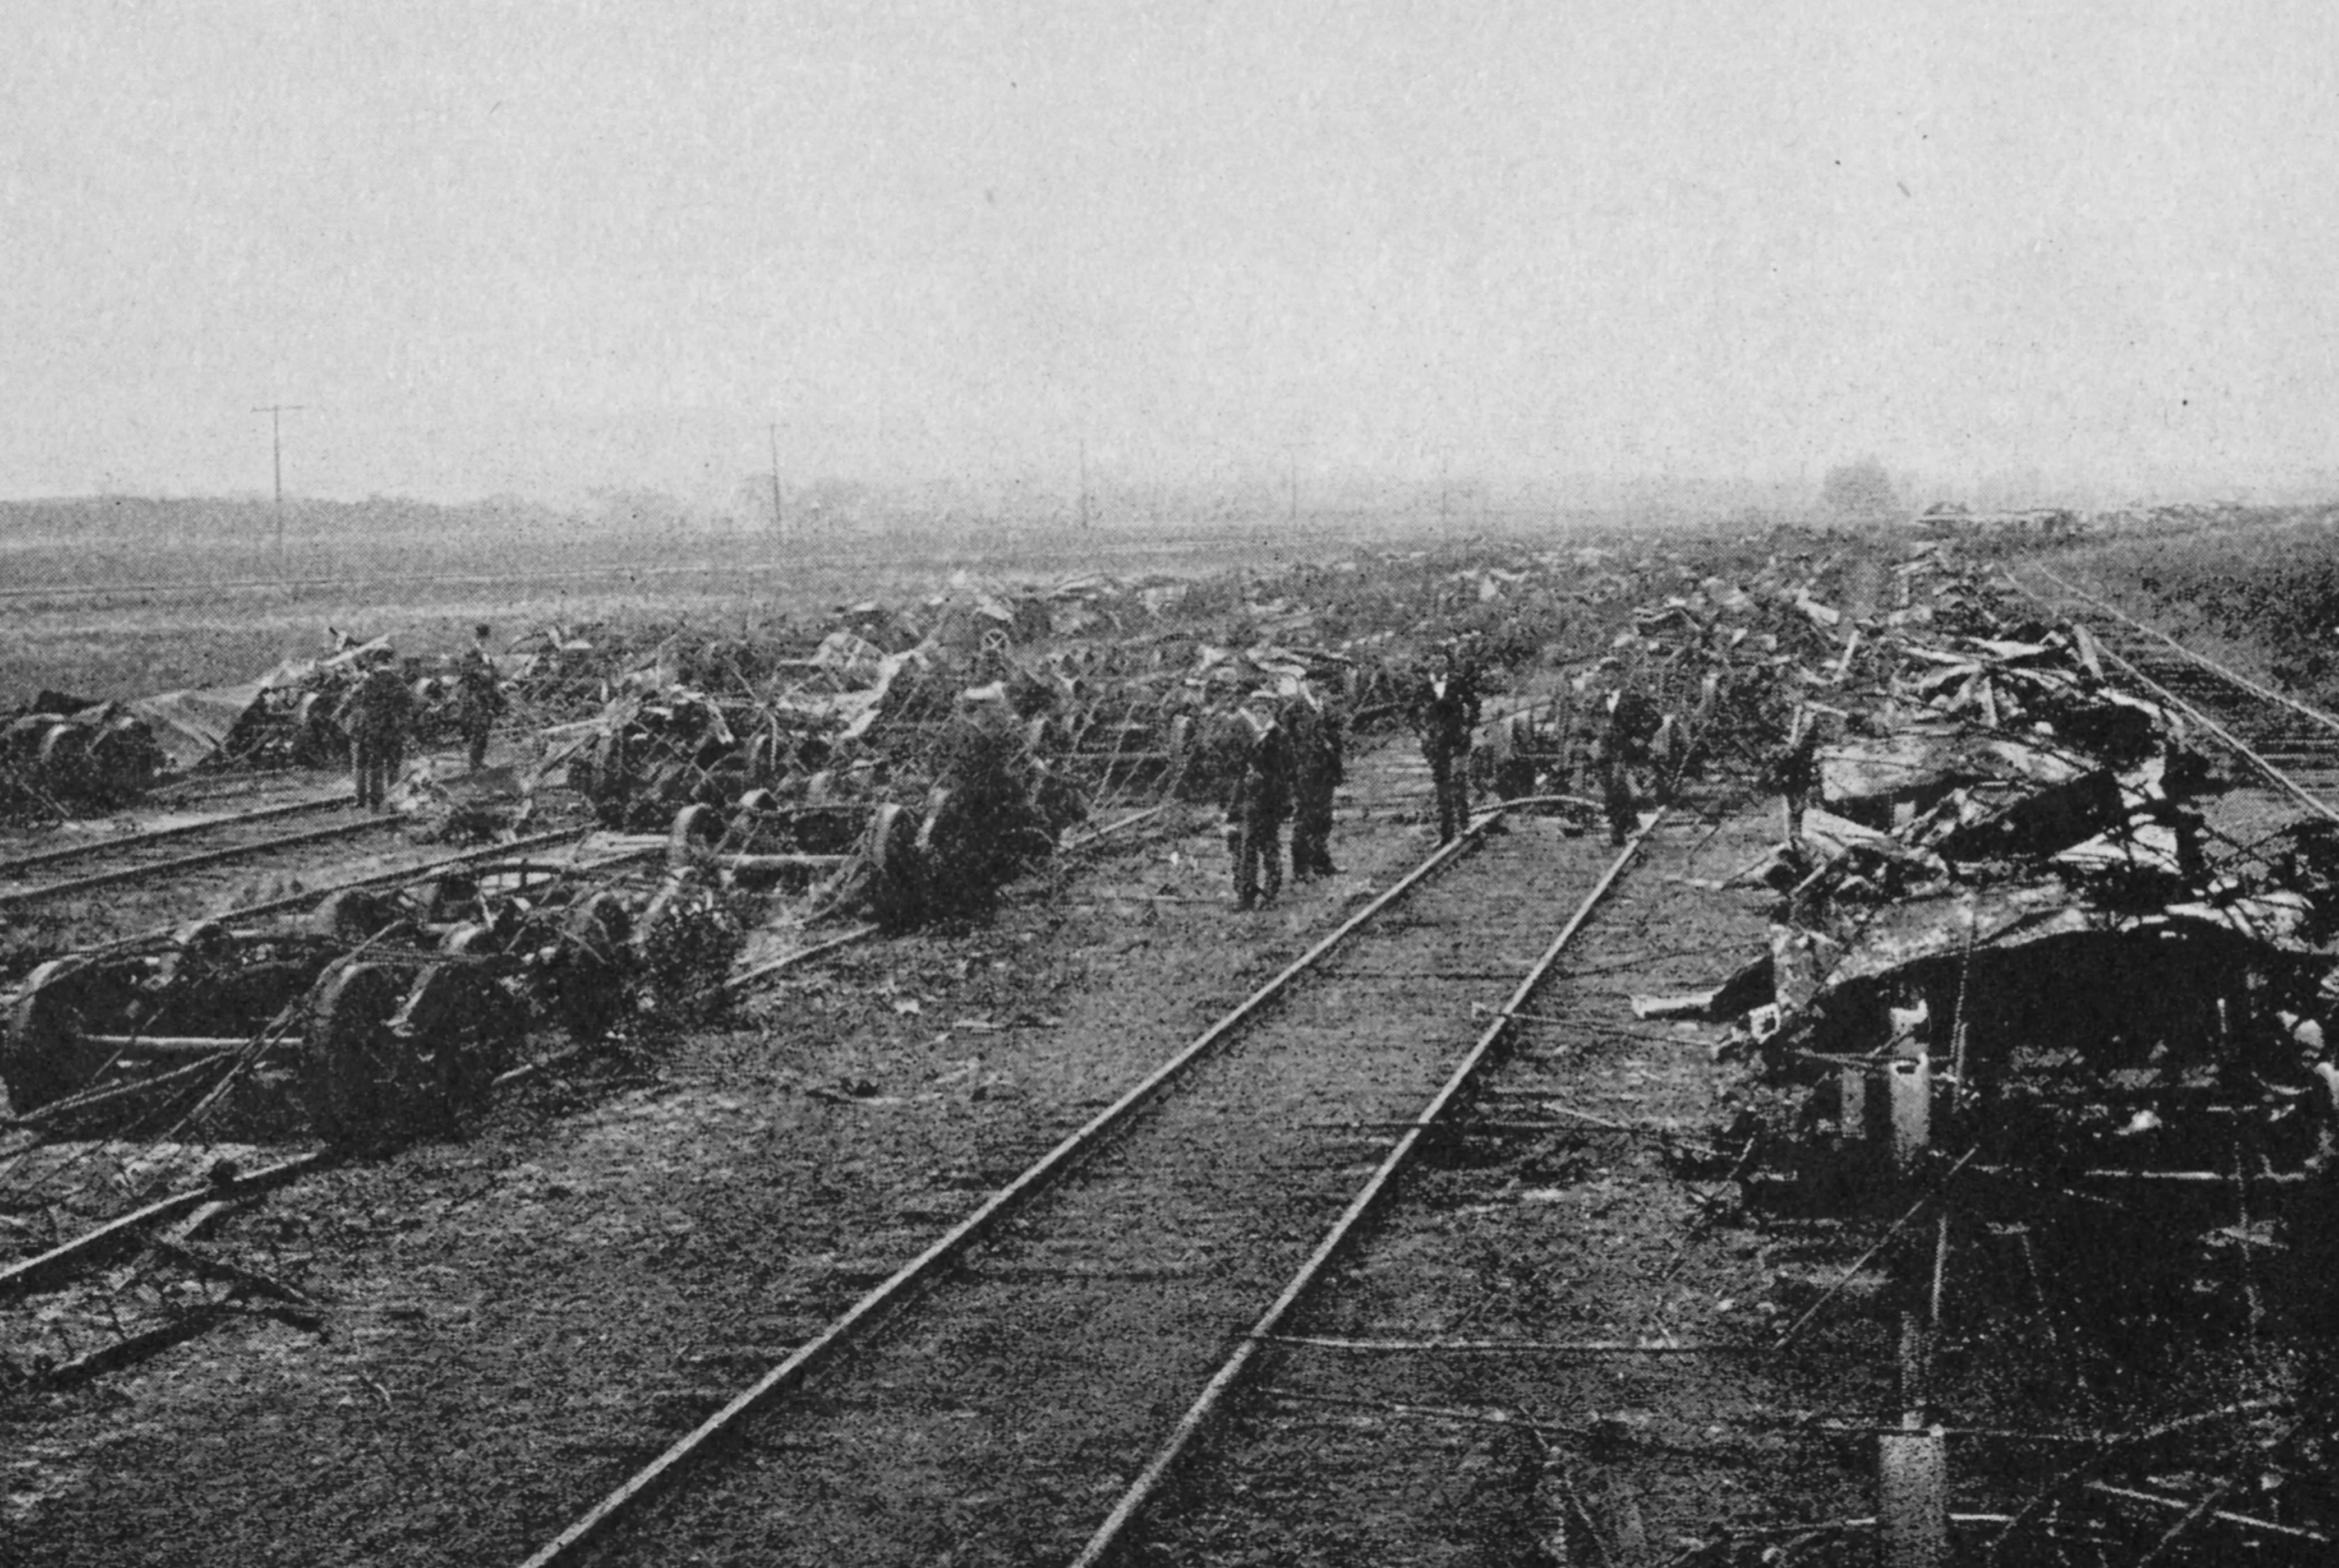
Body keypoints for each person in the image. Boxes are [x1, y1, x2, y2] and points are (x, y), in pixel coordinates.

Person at [1223, 687, 1295, 909]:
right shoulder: (1251, 737)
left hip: (1270, 803)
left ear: (1273, 712)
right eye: (1257, 712)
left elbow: (1286, 774)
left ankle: (1271, 893)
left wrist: (1264, 781)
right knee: (1247, 850)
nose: (1260, 716)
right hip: (1250, 803)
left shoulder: (1280, 739)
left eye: (1265, 711)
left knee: (1270, 848)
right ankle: (1246, 895)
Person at [1410, 646, 1480, 843]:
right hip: (1435, 741)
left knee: (1459, 780)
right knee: (1442, 786)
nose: (1438, 665)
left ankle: (1466, 826)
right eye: (1434, 661)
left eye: (1441, 661)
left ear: (1446, 664)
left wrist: (1468, 726)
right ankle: (1446, 834)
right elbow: (1411, 713)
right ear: (1429, 664)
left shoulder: (1458, 682)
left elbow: (1475, 704)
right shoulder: (1423, 686)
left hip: (1458, 738)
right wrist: (1421, 732)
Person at [1283, 675, 1345, 878]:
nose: (1320, 684)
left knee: (1324, 818)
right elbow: (1287, 744)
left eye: (1323, 681)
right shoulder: (1294, 711)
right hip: (1305, 772)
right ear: (1306, 682)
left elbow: (1339, 735)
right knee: (1306, 818)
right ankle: (1301, 868)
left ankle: (1321, 862)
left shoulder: (1325, 707)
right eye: (1316, 680)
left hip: (1326, 770)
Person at [338, 646, 414, 809]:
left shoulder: (370, 680)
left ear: (377, 661)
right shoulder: (398, 681)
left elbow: (354, 699)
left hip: (373, 729)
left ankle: (375, 801)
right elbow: (409, 703)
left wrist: (341, 713)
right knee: (394, 766)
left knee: (375, 765)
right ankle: (394, 801)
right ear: (389, 660)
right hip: (394, 730)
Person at [454, 622, 506, 772]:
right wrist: (484, 676)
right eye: (480, 637)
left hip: (483, 698)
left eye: (484, 637)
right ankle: (475, 764)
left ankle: (478, 762)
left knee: (483, 731)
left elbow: (491, 674)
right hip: (474, 698)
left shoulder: (485, 654)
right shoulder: (472, 654)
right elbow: (472, 672)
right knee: (478, 730)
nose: (482, 640)